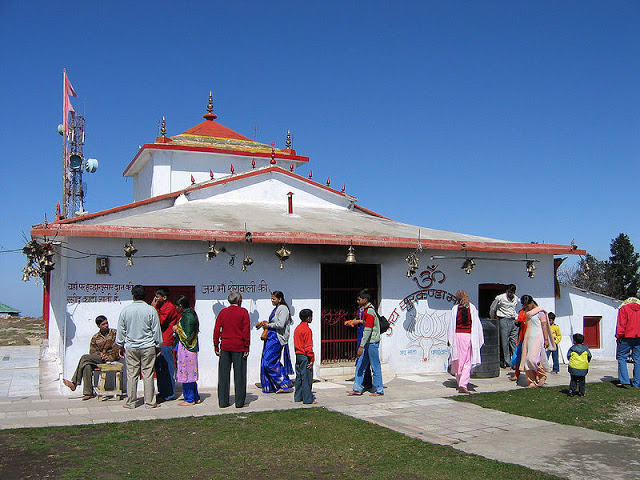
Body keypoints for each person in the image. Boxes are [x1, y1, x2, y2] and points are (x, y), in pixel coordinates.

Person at [116, 284, 163, 409]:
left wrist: (120, 345)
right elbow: (156, 330)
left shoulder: (126, 310)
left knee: (132, 374)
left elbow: (121, 330)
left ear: (133, 295)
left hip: (131, 346)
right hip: (148, 346)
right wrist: (158, 344)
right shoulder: (150, 310)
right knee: (148, 374)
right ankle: (149, 402)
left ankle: (131, 402)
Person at [63, 315, 119, 400]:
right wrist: (100, 355)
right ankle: (88, 393)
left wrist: (109, 356)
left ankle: (75, 383)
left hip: (111, 358)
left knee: (84, 358)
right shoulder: (95, 338)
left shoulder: (114, 333)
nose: (106, 325)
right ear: (98, 326)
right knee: (86, 365)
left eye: (106, 323)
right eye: (103, 324)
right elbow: (92, 352)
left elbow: (118, 346)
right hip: (100, 359)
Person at [213, 292, 250, 408]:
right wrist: (247, 346)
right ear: (238, 300)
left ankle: (223, 401)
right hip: (239, 346)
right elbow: (246, 331)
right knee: (240, 375)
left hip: (225, 346)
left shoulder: (223, 312)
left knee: (223, 375)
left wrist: (216, 345)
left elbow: (217, 330)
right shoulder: (243, 312)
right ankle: (239, 402)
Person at [347, 289, 384, 397]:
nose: (358, 301)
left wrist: (361, 346)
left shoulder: (370, 312)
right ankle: (357, 388)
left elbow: (367, 330)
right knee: (360, 365)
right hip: (367, 342)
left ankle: (379, 389)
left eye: (359, 299)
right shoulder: (366, 311)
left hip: (371, 343)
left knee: (375, 366)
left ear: (365, 299)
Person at [256, 291, 294, 393]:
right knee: (265, 361)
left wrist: (268, 325)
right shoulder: (276, 309)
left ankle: (284, 383)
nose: (272, 301)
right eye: (271, 299)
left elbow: (281, 324)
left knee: (269, 362)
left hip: (277, 339)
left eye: (274, 299)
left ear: (280, 299)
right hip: (271, 338)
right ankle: (274, 386)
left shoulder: (283, 309)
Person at [447, 290, 484, 394]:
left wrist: (450, 339)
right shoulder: (472, 308)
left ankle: (460, 382)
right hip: (469, 337)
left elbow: (451, 325)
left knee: (458, 360)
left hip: (457, 337)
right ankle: (463, 384)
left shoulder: (455, 309)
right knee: (467, 361)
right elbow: (477, 325)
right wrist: (480, 339)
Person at [519, 295, 555, 388]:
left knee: (532, 359)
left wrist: (546, 339)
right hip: (528, 336)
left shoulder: (540, 312)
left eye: (527, 306)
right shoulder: (527, 312)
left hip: (537, 337)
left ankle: (542, 375)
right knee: (527, 359)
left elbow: (544, 326)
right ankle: (531, 381)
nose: (526, 308)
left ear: (532, 303)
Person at [152, 287, 180, 402]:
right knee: (160, 368)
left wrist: (153, 308)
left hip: (166, 341)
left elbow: (160, 321)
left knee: (167, 368)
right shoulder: (160, 307)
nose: (155, 299)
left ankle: (169, 393)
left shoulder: (169, 307)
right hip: (159, 341)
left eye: (157, 297)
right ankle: (162, 391)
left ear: (164, 297)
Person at [173, 295, 201, 406]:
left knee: (187, 373)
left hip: (187, 349)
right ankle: (195, 396)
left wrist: (177, 328)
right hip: (189, 349)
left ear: (180, 306)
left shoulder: (187, 317)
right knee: (190, 373)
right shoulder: (190, 314)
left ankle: (189, 399)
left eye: (176, 306)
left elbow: (187, 335)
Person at [490, 284, 520, 369]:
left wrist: (517, 318)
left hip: (513, 320)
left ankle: (515, 361)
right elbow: (493, 308)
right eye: (508, 292)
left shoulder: (516, 299)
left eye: (511, 292)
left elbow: (515, 309)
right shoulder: (500, 298)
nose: (509, 294)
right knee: (505, 342)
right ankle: (507, 361)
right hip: (503, 319)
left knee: (514, 341)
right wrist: (493, 319)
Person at [615, 297, 640, 388]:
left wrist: (619, 336)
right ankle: (637, 382)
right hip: (639, 336)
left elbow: (621, 324)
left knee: (621, 357)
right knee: (638, 359)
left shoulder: (624, 308)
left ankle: (624, 380)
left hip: (627, 336)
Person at [294, 309, 316, 404]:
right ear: (308, 318)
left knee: (299, 376)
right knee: (307, 377)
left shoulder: (297, 328)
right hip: (305, 355)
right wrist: (311, 359)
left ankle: (298, 397)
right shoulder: (307, 330)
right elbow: (308, 347)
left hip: (298, 354)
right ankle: (308, 399)